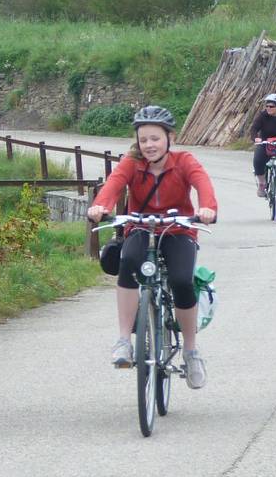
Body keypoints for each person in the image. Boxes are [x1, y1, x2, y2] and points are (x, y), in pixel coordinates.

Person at [87, 105, 218, 389]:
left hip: (178, 229)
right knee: (128, 263)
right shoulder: (131, 163)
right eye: (143, 139)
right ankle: (124, 341)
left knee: (182, 280)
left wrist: (207, 208)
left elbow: (202, 183)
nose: (149, 145)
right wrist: (101, 205)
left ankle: (191, 351)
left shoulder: (184, 161)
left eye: (155, 138)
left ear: (170, 137)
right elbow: (114, 184)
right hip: (140, 227)